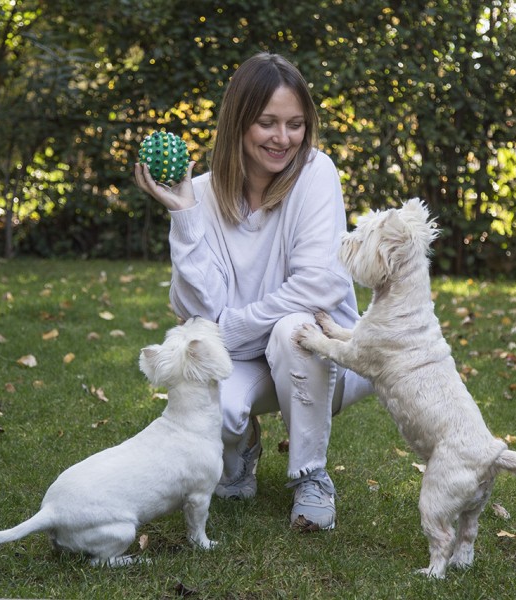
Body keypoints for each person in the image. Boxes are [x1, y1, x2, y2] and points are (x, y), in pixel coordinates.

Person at [134, 52, 372, 531]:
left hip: (331, 354)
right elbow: (197, 309)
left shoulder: (315, 173)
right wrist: (183, 215)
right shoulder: (198, 193)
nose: (283, 139)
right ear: (239, 123)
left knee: (292, 330)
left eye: (296, 124)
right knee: (206, 391)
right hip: (244, 358)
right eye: (267, 123)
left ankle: (310, 474)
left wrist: (228, 328)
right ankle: (240, 446)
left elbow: (321, 287)